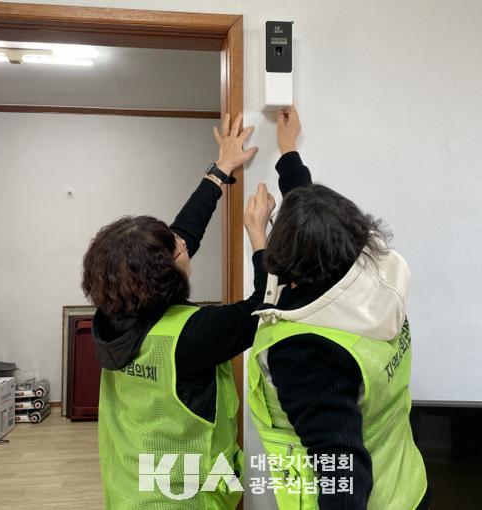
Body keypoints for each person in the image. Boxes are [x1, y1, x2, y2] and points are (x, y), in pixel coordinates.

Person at [82, 113, 275, 509]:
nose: (184, 244)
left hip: (130, 489)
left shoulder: (113, 313)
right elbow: (265, 307)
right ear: (165, 273)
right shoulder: (192, 334)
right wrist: (258, 236)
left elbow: (183, 234)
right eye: (178, 249)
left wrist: (220, 171)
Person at [247, 107, 430, 509]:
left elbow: (343, 473)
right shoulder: (374, 279)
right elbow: (316, 231)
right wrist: (288, 152)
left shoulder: (304, 351)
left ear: (289, 268)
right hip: (407, 484)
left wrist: (260, 242)